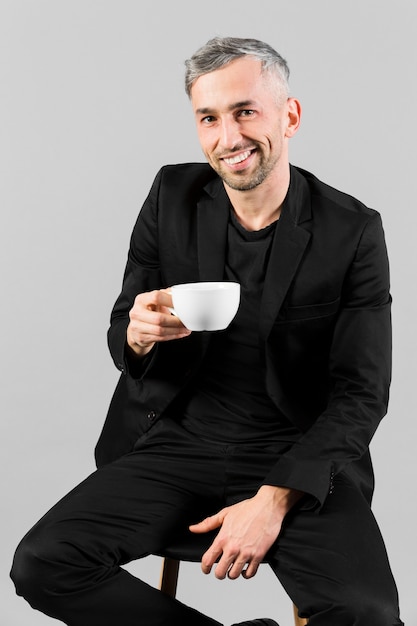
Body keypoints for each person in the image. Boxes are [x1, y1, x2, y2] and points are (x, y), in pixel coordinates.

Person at [10, 36, 403, 626]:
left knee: (367, 614)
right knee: (43, 562)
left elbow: (362, 393)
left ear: (288, 115)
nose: (229, 138)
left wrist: (273, 501)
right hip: (175, 445)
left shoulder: (351, 230)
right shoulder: (172, 195)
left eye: (246, 112)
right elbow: (124, 328)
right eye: (209, 118)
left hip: (293, 451)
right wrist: (138, 334)